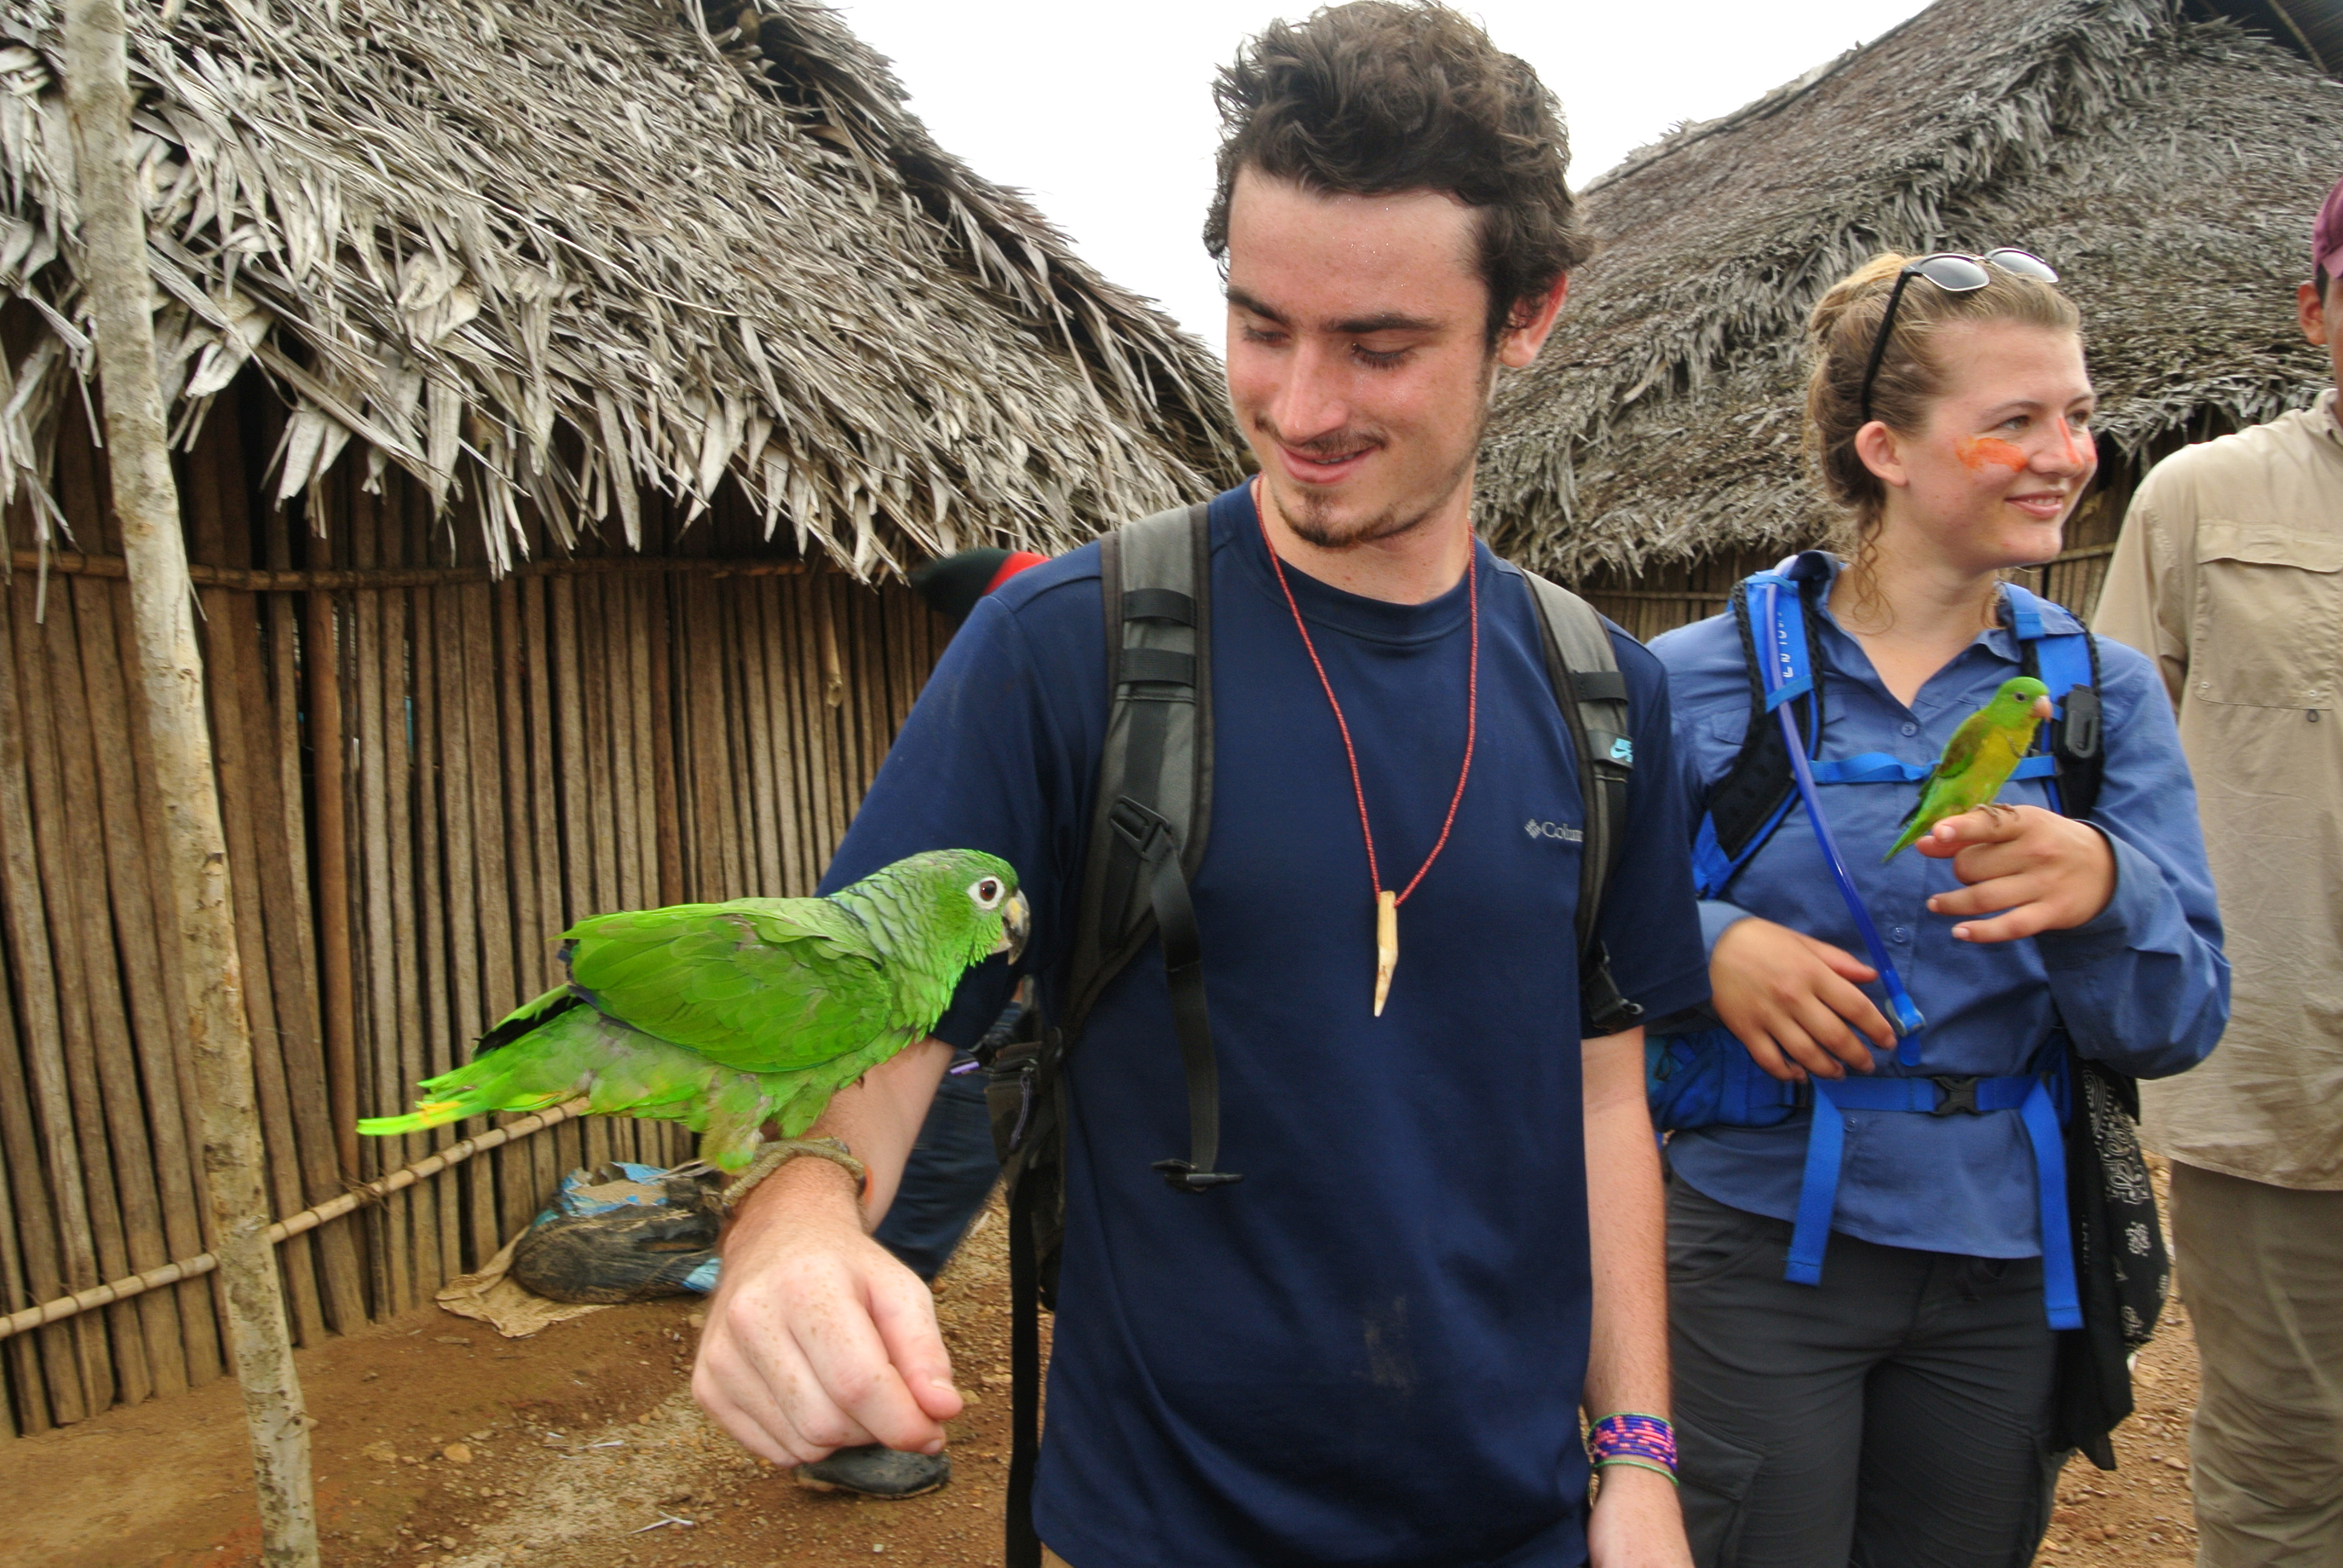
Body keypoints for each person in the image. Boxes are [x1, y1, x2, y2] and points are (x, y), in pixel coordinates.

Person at [691, 5, 1712, 1564]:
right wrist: (802, 1216)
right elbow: (870, 1030)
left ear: (1529, 313)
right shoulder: (1060, 652)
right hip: (1163, 1530)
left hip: (1516, 1523)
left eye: (1379, 347)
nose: (1302, 410)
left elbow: (1599, 1093)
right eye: (1259, 324)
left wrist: (1634, 1454)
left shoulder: (1606, 701)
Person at [1650, 250, 2227, 1566]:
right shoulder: (1693, 680)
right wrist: (1707, 944)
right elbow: (1561, 938)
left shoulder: (2099, 699)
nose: (2064, 453)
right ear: (1886, 450)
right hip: (1749, 1246)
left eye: (2076, 415)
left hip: (2003, 1265)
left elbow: (2182, 1015)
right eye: (2012, 421)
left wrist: (2105, 889)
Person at [2093, 173, 2343, 1568]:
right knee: (2281, 1460)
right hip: (2282, 1074)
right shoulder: (2204, 500)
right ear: (2314, 308)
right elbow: (2113, 776)